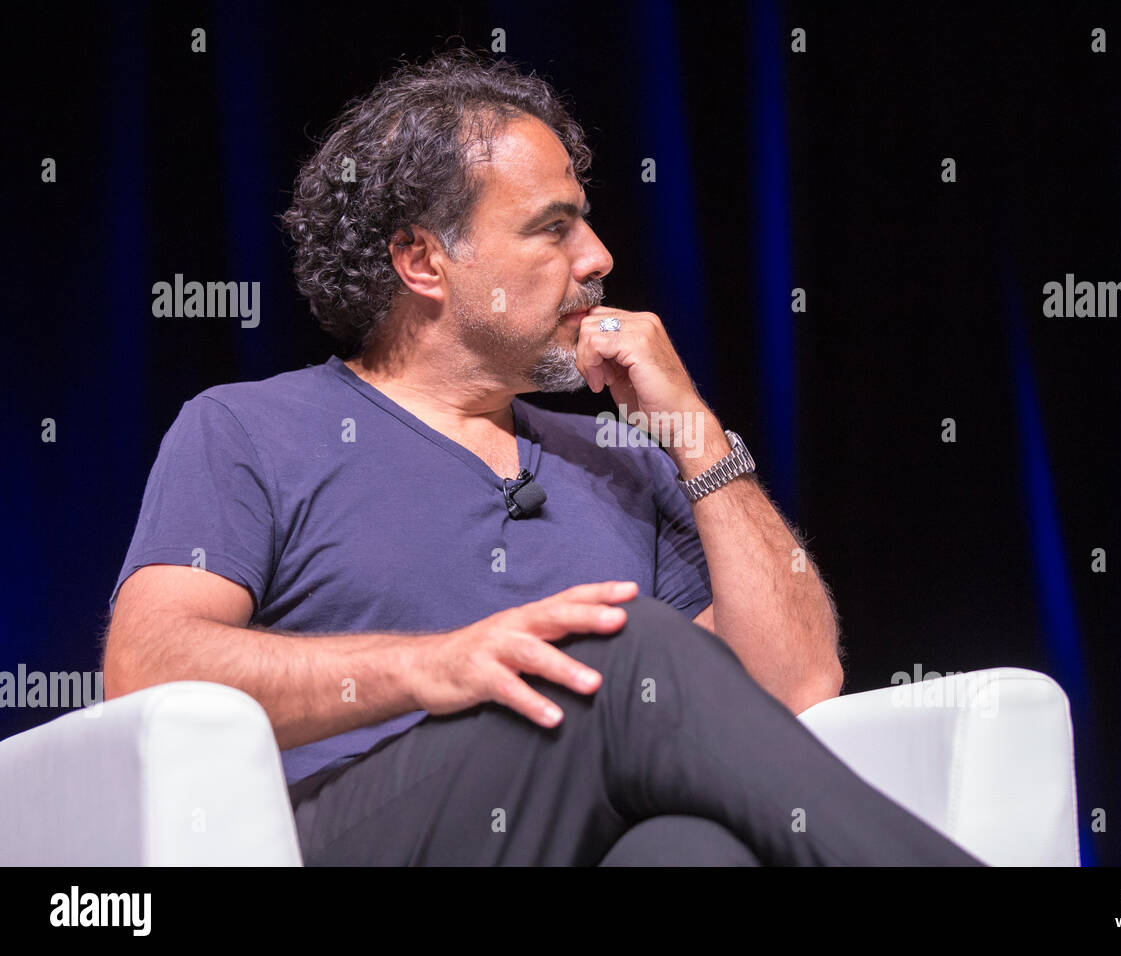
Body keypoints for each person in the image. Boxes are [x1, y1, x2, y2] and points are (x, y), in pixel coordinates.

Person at [102, 46, 984, 866]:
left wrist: (695, 433)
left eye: (586, 225)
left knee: (689, 851)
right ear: (423, 260)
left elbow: (796, 685)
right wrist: (430, 665)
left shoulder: (624, 459)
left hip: (577, 837)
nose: (598, 257)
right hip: (352, 831)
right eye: (551, 229)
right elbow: (146, 668)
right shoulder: (249, 429)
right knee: (621, 643)